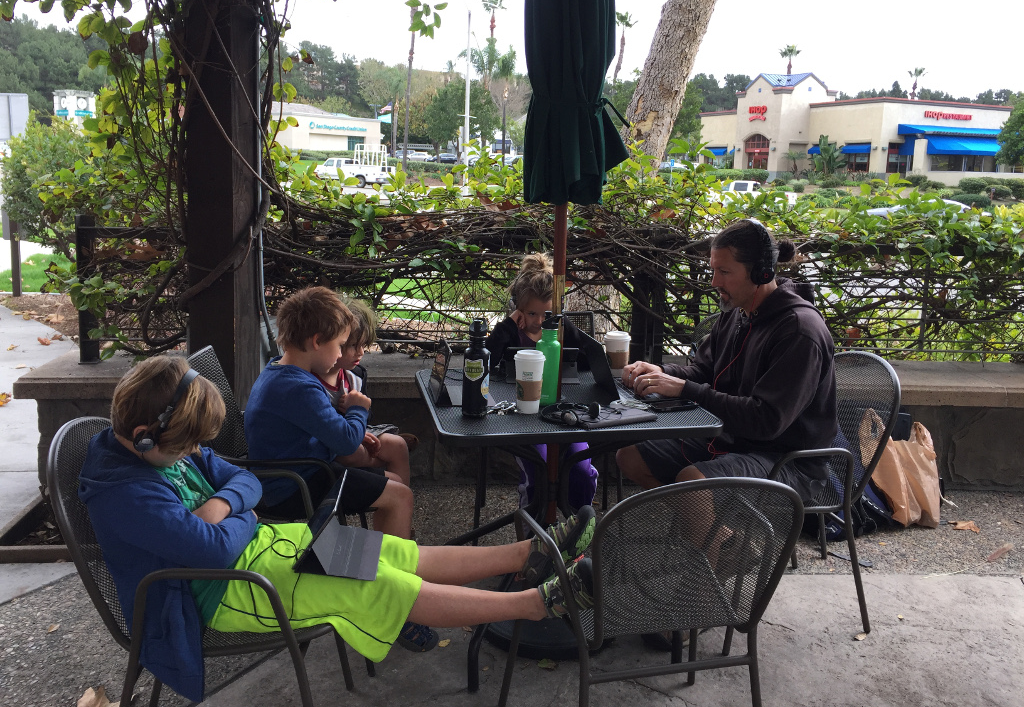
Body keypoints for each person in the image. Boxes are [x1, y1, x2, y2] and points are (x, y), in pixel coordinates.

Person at [78, 355, 596, 703]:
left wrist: (223, 507)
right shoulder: (123, 492)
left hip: (267, 552)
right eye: (186, 448)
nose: (195, 454)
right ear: (145, 437)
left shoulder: (159, 443)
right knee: (380, 584)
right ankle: (533, 604)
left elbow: (240, 477)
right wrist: (237, 516)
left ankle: (526, 553)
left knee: (389, 553)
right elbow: (210, 554)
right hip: (225, 592)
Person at [615, 219, 837, 505]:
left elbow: (766, 420)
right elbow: (704, 371)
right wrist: (662, 373)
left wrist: (684, 388)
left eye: (724, 271)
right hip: (732, 440)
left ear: (760, 272)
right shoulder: (737, 313)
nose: (714, 282)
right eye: (713, 270)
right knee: (631, 456)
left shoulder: (799, 331)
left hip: (789, 462)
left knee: (693, 484)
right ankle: (719, 532)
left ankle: (715, 538)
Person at [244, 287, 414, 539]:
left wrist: (353, 431)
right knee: (400, 495)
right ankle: (394, 571)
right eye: (341, 345)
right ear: (317, 341)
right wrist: (358, 410)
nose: (339, 354)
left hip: (297, 472)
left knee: (396, 484)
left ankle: (385, 557)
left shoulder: (278, 373)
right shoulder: (299, 388)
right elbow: (345, 443)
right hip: (293, 485)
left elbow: (325, 430)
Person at [486, 253, 599, 511]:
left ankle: (577, 526)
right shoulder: (511, 331)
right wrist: (507, 326)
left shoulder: (559, 329)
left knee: (582, 469)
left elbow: (586, 362)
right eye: (531, 313)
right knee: (539, 468)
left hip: (565, 413)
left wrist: (562, 324)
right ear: (519, 309)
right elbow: (487, 360)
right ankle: (533, 534)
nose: (539, 321)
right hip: (523, 416)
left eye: (546, 313)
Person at [313, 296, 414, 487]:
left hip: (354, 434)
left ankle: (395, 494)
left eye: (364, 345)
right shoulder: (311, 381)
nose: (361, 352)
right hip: (331, 448)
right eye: (353, 345)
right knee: (360, 456)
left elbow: (365, 417)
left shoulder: (355, 376)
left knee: (398, 446)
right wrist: (348, 413)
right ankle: (385, 479)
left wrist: (356, 410)